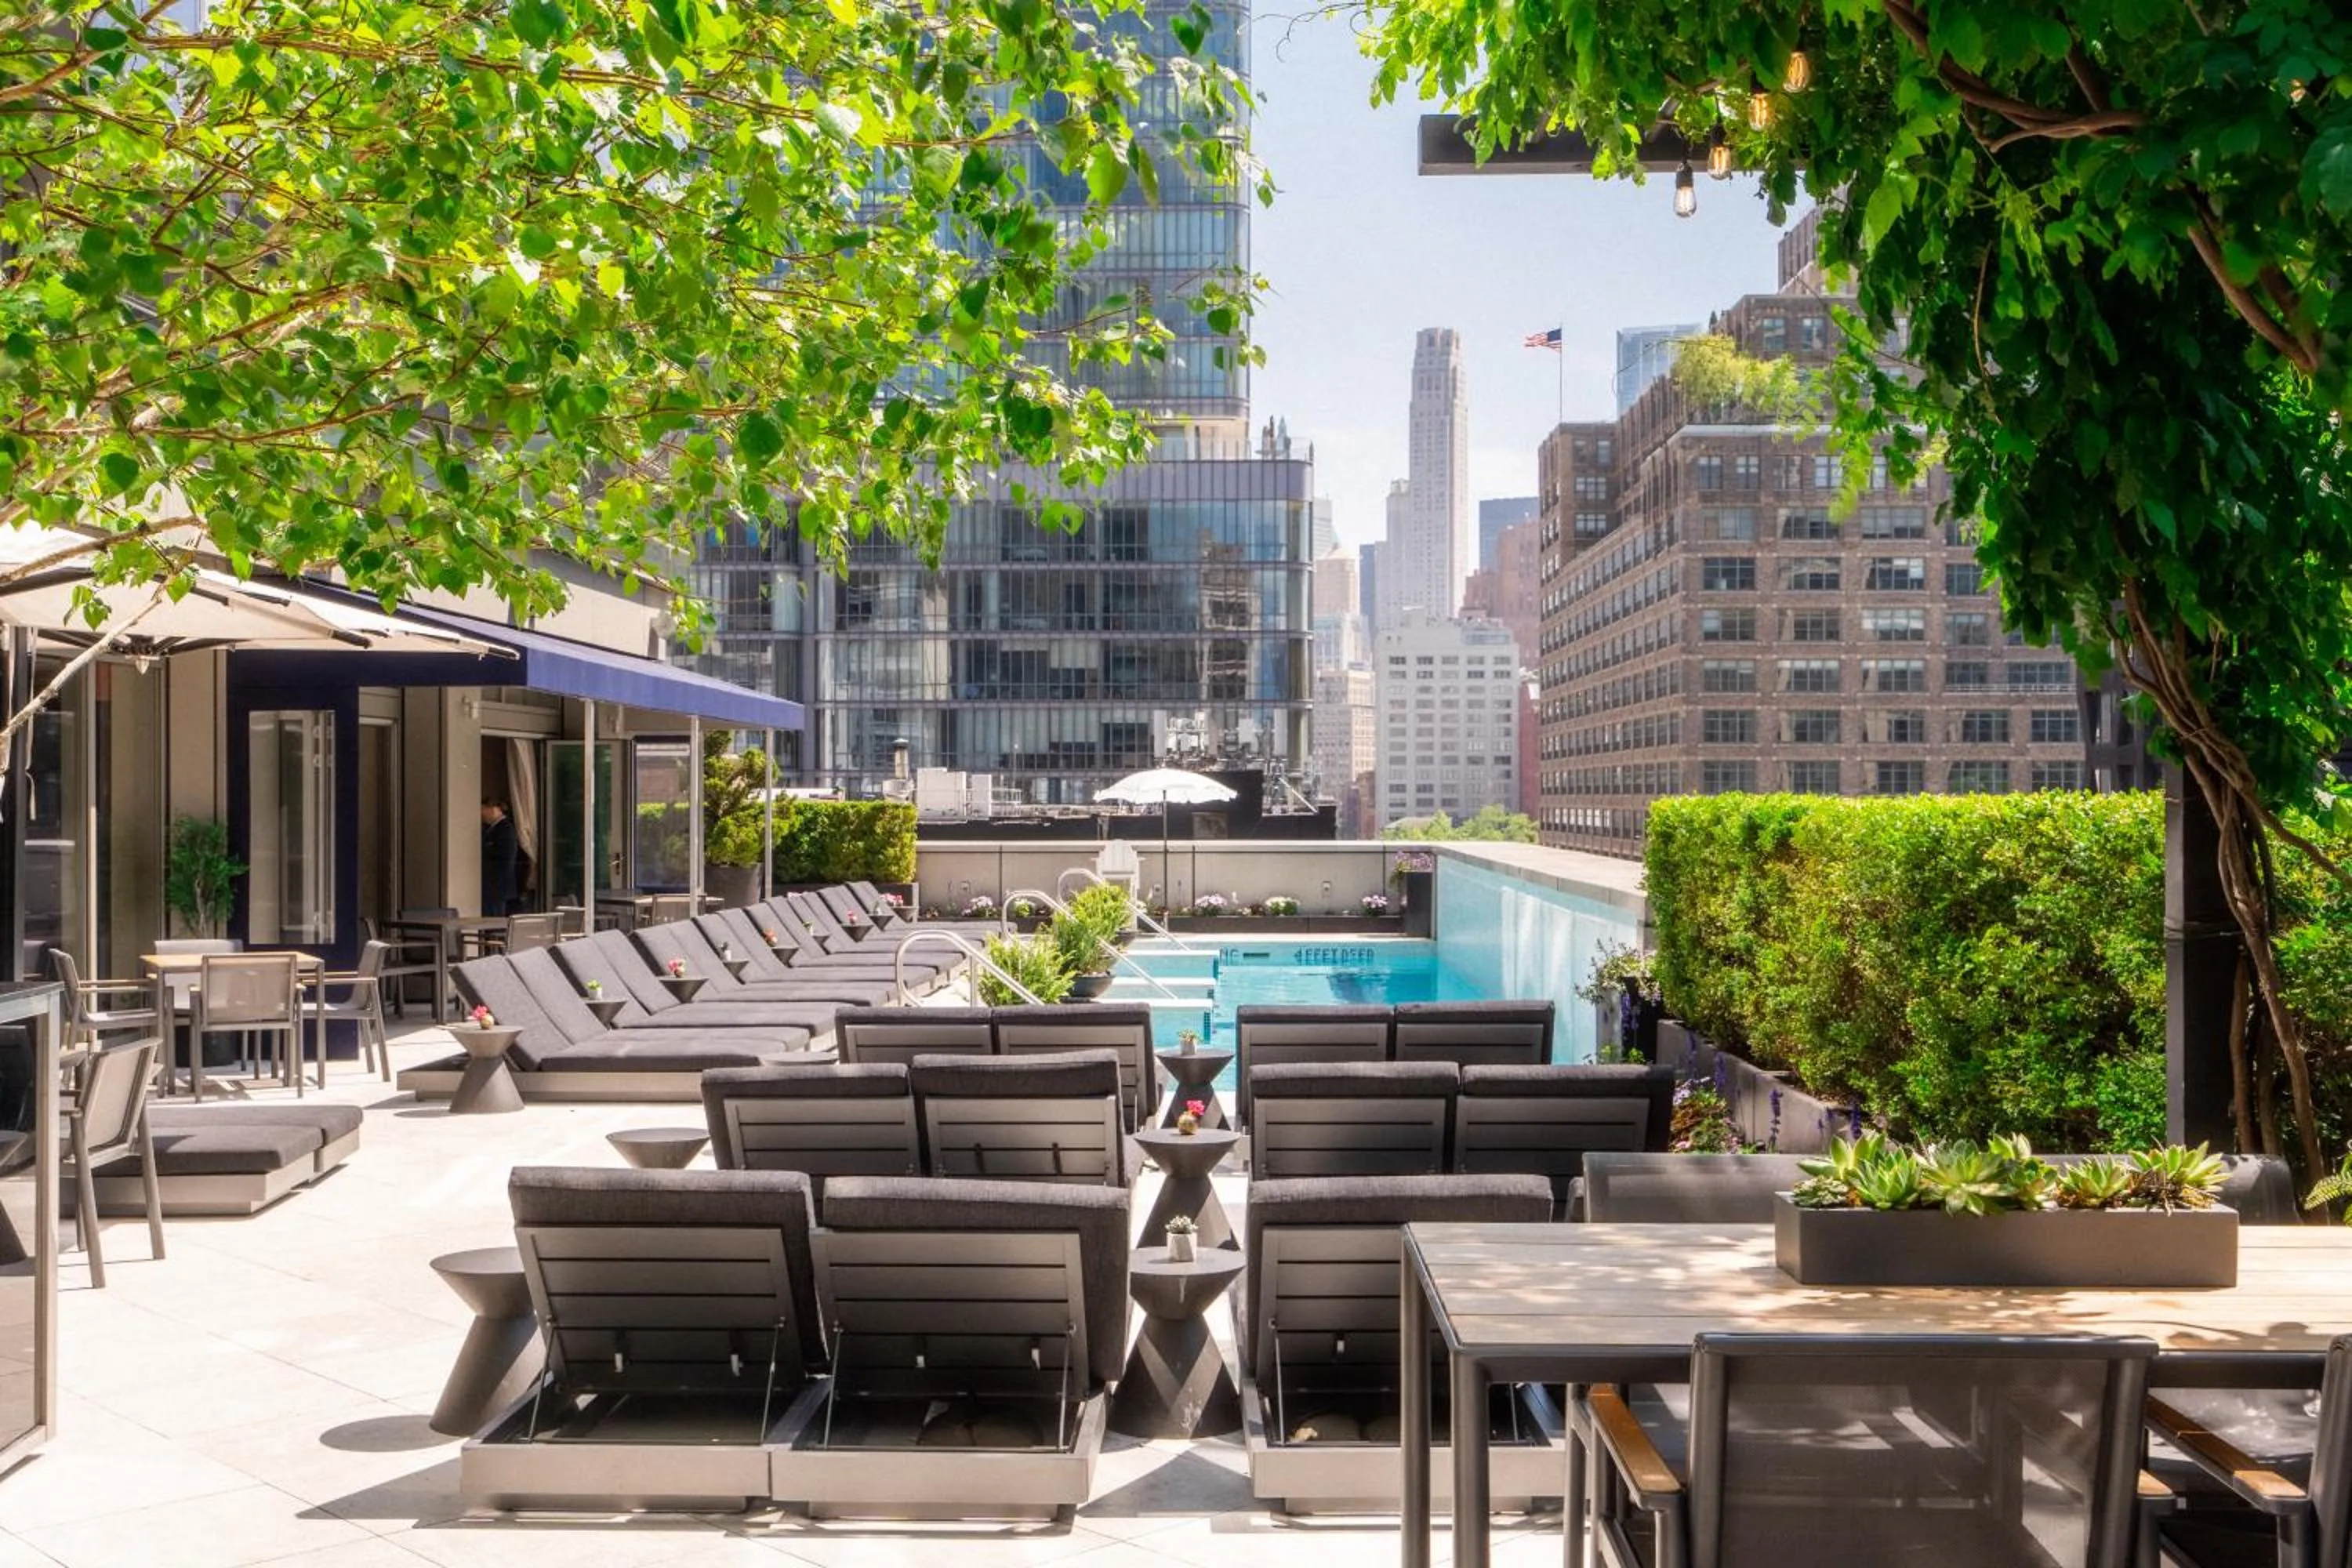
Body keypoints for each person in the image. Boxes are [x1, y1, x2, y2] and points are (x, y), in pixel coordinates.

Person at [480, 797, 521, 915]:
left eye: (483, 810)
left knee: (495, 920)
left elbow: (507, 858)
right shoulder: (489, 829)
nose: (482, 815)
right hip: (492, 886)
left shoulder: (505, 829)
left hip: (498, 885)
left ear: (493, 809)